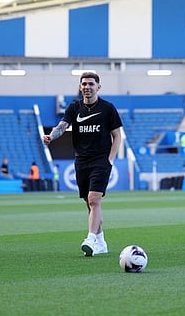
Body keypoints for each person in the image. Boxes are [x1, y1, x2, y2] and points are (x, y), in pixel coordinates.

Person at [43, 71, 123, 257]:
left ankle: (90, 239)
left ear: (98, 87)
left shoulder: (107, 108)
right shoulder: (74, 108)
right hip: (81, 161)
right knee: (89, 203)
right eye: (84, 84)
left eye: (91, 84)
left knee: (95, 199)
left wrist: (110, 160)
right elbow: (62, 126)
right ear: (80, 87)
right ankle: (101, 240)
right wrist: (51, 136)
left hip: (101, 160)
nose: (87, 87)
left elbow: (117, 136)